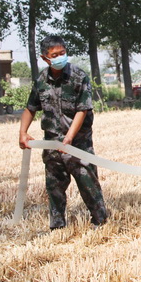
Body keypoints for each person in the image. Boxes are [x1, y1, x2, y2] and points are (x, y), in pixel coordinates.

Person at [19, 35, 108, 230]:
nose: (60, 57)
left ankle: (100, 221)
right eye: (54, 55)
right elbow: (31, 108)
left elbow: (82, 110)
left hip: (78, 143)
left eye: (62, 53)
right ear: (45, 58)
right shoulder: (41, 80)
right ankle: (57, 227)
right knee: (54, 187)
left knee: (88, 182)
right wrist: (22, 132)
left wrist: (69, 138)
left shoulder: (78, 77)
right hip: (52, 143)